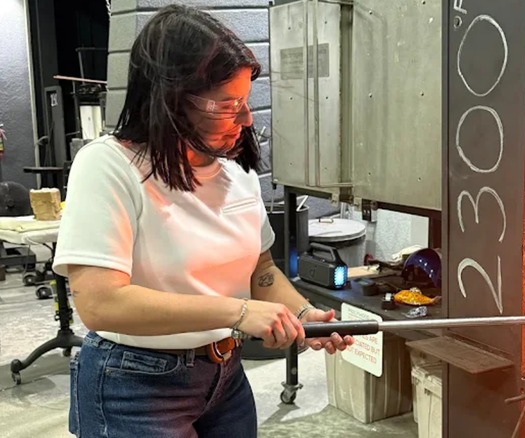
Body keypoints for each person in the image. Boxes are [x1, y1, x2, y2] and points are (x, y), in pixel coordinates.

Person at [52, 5, 353, 437]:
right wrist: (240, 313)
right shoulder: (108, 166)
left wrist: (303, 316)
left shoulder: (235, 171)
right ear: (171, 99)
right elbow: (100, 304)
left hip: (224, 376)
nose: (246, 119)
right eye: (228, 105)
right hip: (133, 384)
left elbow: (261, 270)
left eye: (245, 102)